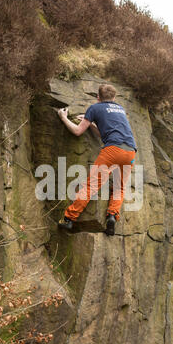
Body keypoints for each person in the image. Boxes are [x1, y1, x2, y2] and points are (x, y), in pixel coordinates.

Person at [58, 84, 137, 236]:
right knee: (120, 187)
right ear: (114, 98)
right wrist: (92, 124)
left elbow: (77, 131)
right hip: (130, 152)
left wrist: (64, 118)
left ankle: (69, 219)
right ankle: (112, 216)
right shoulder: (120, 109)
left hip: (113, 150)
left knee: (91, 186)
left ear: (98, 97)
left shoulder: (95, 108)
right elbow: (106, 134)